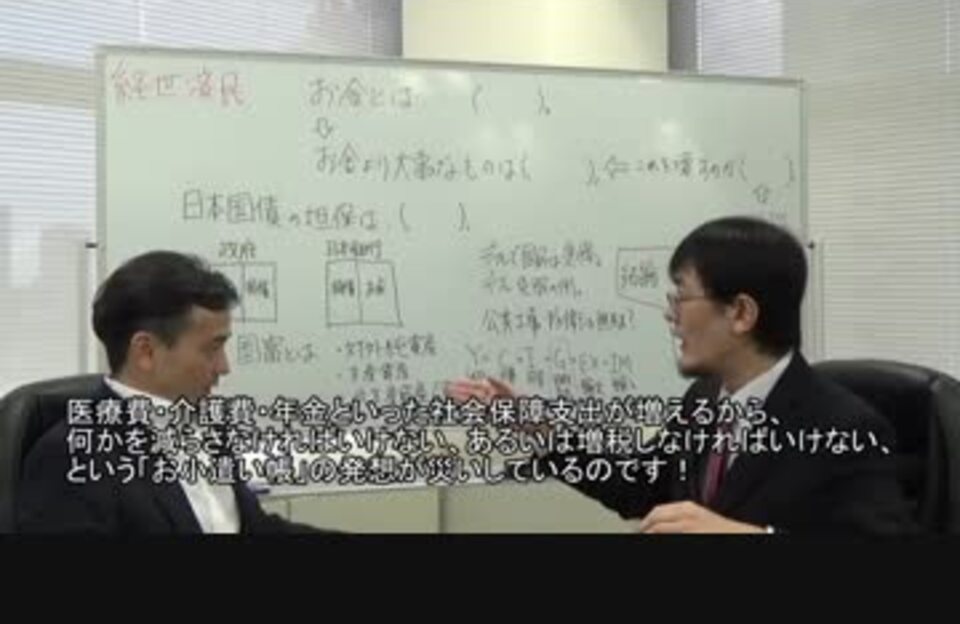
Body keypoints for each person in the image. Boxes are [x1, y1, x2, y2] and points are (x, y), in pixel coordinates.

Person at [447, 216, 917, 533]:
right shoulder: (704, 400)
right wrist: (539, 431)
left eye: (681, 297)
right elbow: (640, 488)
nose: (670, 316)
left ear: (741, 313)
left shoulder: (844, 426)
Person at [16, 250, 341, 534]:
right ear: (146, 351)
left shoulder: (206, 428)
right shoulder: (71, 456)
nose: (224, 367)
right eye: (211, 349)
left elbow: (251, 527)